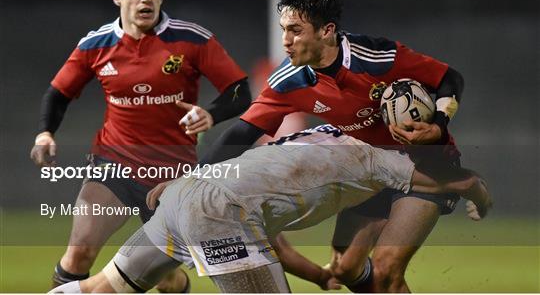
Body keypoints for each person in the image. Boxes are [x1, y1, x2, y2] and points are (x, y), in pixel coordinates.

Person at [199, 0, 470, 292]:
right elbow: (243, 131)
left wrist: (437, 124)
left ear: (326, 30)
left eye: (295, 30)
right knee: (344, 269)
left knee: (385, 270)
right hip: (372, 172)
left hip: (427, 167)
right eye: (283, 29)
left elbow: (450, 78)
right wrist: (192, 179)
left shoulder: (375, 58)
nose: (285, 40)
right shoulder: (289, 80)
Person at [30, 0, 251, 292]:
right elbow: (58, 93)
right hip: (115, 164)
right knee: (79, 253)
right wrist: (46, 132)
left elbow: (240, 91)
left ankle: (175, 280)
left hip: (172, 174)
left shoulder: (191, 39)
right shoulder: (96, 44)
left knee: (164, 278)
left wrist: (212, 112)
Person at [49, 124, 491, 293]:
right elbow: (452, 180)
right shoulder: (380, 159)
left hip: (189, 194)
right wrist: (477, 194)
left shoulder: (323, 133)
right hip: (217, 212)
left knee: (102, 288)